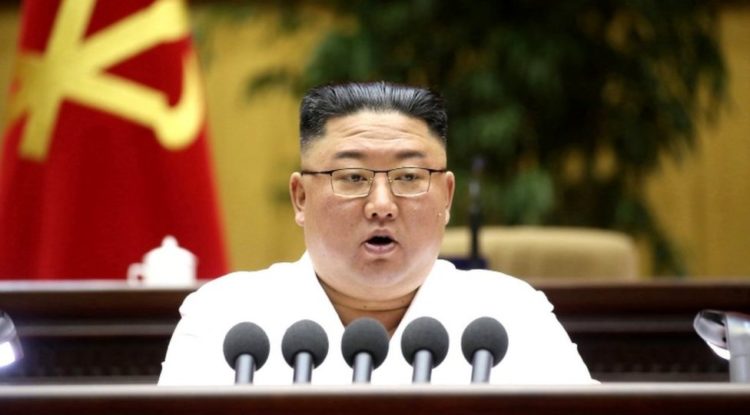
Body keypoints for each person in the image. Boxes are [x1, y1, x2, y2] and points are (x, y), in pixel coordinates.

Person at [158, 81, 594, 385]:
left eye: (409, 177)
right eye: (352, 177)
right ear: (301, 198)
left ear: (446, 196)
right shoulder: (226, 319)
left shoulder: (511, 316)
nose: (381, 204)